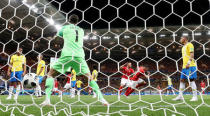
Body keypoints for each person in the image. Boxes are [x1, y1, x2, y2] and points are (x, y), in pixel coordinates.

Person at [40, 14, 108, 106]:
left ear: (68, 20)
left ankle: (47, 99)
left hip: (67, 54)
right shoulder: (81, 30)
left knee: (50, 74)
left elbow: (58, 36)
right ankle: (102, 99)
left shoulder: (65, 28)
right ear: (78, 21)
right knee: (90, 78)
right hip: (79, 55)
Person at [173, 36, 198, 101]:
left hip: (190, 66)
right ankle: (180, 96)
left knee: (191, 80)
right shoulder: (183, 47)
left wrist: (189, 63)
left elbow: (192, 54)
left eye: (181, 38)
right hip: (184, 67)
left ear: (185, 39)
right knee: (182, 80)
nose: (180, 39)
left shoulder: (190, 44)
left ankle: (195, 97)